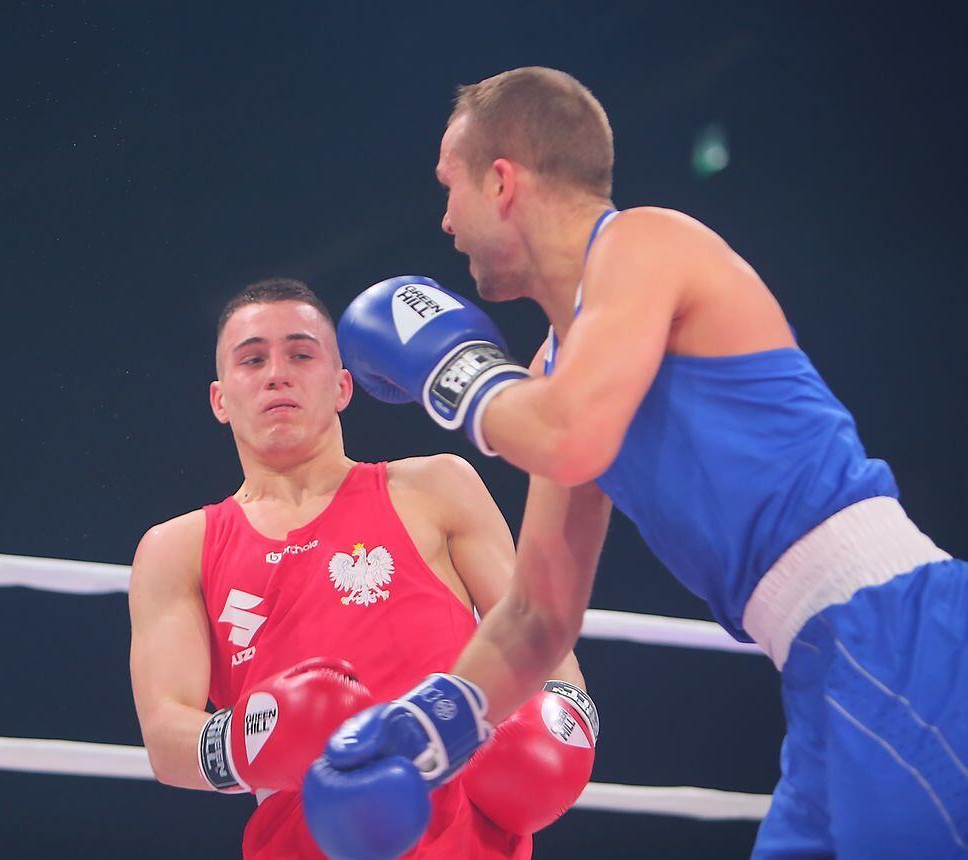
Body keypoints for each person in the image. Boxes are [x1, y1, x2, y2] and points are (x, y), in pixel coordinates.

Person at [306, 67, 967, 859]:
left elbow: (570, 436)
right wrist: (428, 721)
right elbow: (539, 615)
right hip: (820, 672)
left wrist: (451, 371)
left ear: (502, 181)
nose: (445, 220)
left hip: (901, 636)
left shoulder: (645, 243)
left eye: (451, 187)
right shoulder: (557, 376)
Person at [128, 278, 598, 859]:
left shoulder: (435, 488)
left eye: (301, 355)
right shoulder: (178, 548)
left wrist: (561, 729)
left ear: (342, 385)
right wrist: (258, 736)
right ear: (220, 399)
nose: (277, 374)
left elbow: (541, 639)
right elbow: (165, 737)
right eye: (252, 360)